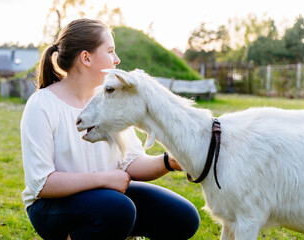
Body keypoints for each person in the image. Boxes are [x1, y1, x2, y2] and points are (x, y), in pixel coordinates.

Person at [20, 18, 200, 240]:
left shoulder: (112, 99)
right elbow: (42, 183)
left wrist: (168, 161)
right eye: (111, 51)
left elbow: (130, 163)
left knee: (183, 217)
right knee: (118, 208)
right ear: (86, 58)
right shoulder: (42, 104)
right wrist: (104, 179)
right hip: (52, 206)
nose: (117, 59)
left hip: (107, 196)